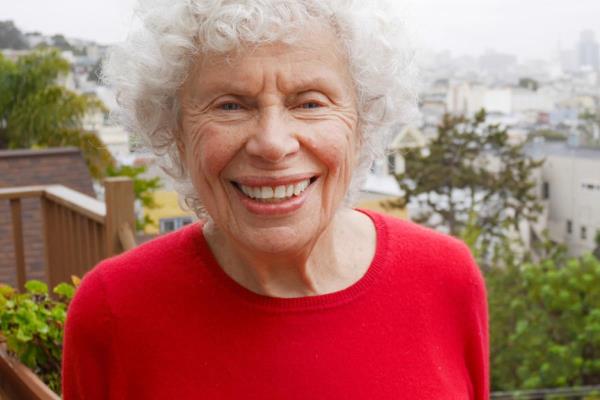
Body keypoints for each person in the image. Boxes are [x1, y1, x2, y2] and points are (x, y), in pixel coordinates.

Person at [62, 1, 489, 398]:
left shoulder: (446, 279)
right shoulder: (113, 310)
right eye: (230, 106)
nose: (272, 144)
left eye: (309, 103)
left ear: (364, 124)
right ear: (174, 131)